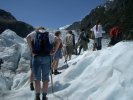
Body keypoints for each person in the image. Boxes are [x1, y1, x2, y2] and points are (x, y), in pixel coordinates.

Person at [26, 27, 54, 100]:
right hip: (47, 57)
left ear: (38, 29)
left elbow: (28, 37)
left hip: (37, 57)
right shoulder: (49, 34)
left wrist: (31, 50)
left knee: (37, 78)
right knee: (45, 78)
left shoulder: (35, 33)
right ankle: (44, 97)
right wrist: (54, 50)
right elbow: (58, 40)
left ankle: (37, 97)